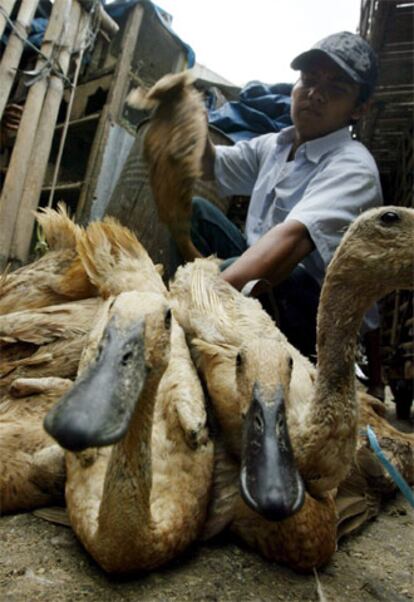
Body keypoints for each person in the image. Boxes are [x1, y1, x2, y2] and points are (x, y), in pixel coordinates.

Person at [176, 32, 384, 392]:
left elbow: (290, 242)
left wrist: (195, 306)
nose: (315, 93)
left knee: (267, 270)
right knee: (196, 212)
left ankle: (223, 331)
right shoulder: (276, 145)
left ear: (359, 109)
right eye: (309, 80)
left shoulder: (353, 167)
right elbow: (211, 166)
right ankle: (225, 324)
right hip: (268, 281)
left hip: (316, 312)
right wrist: (186, 121)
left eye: (335, 87)